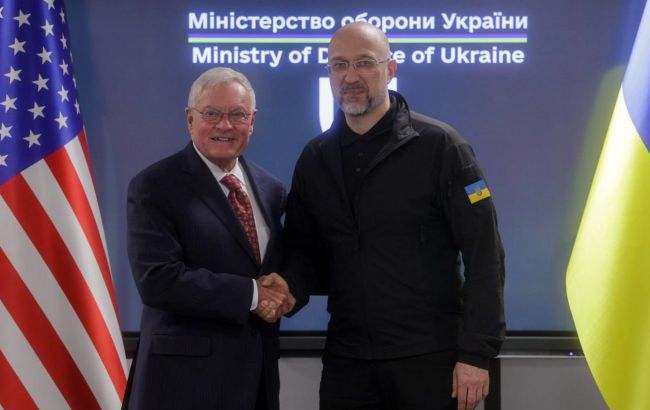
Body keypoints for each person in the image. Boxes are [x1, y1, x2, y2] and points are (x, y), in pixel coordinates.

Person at [276, 22, 506, 410]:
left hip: (430, 360)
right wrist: (285, 289)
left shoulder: (442, 147)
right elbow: (303, 252)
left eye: (365, 63)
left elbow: (485, 255)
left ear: (391, 69)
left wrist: (476, 353)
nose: (350, 76)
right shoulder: (315, 158)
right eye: (339, 65)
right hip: (347, 362)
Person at [124, 67, 294, 410]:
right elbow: (157, 280)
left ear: (253, 121)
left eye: (238, 114)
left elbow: (277, 268)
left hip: (256, 382)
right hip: (183, 386)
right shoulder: (154, 186)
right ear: (190, 119)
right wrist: (252, 294)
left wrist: (288, 288)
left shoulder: (271, 188)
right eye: (212, 114)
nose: (225, 125)